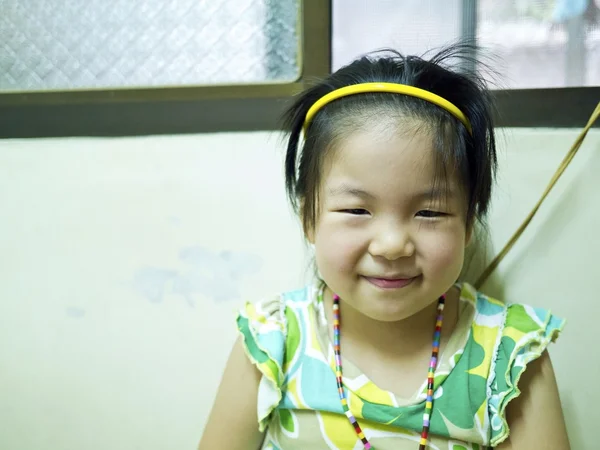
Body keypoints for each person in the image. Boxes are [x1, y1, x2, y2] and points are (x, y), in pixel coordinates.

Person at [199, 44, 570, 449]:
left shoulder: (510, 355)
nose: (392, 245)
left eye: (429, 213)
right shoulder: (272, 342)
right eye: (357, 210)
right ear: (309, 218)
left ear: (468, 223)